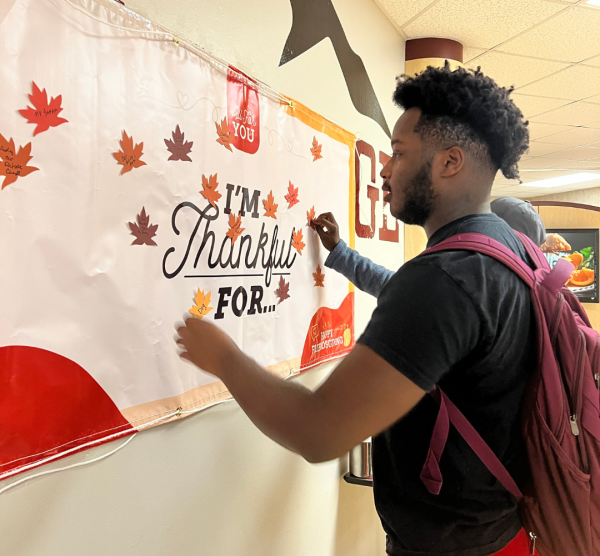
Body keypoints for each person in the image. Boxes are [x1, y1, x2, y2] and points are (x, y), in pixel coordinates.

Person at [176, 64, 534, 556]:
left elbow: (318, 432)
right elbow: (412, 306)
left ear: (450, 162)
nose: (386, 170)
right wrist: (340, 253)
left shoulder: (445, 278)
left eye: (399, 153)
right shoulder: (505, 253)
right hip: (501, 531)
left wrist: (222, 358)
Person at [313, 195, 546, 298]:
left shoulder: (477, 284)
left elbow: (397, 290)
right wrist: (339, 251)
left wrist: (339, 251)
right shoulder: (538, 291)